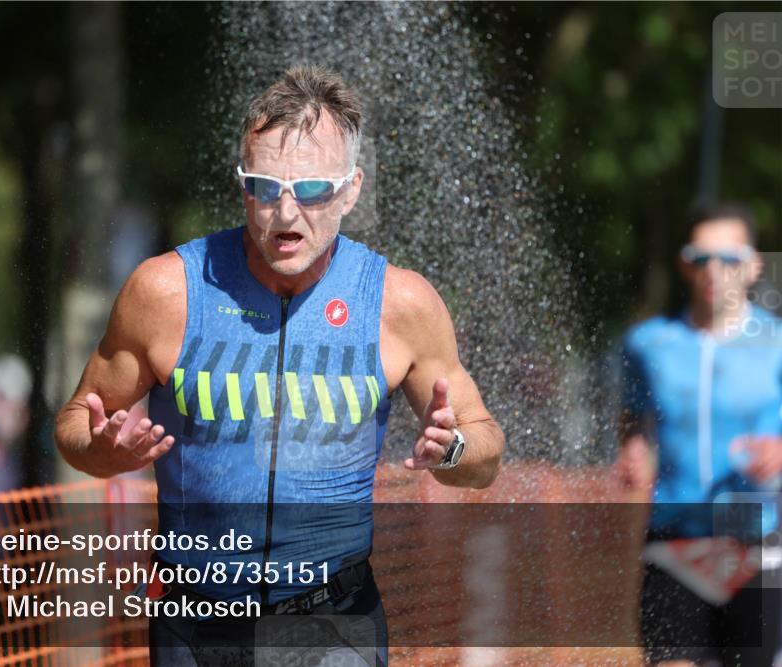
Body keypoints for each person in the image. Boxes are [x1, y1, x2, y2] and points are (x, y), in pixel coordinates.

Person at [55, 64, 505, 666]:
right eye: (265, 188)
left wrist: (452, 450)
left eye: (313, 189)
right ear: (242, 185)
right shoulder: (167, 292)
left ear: (351, 189)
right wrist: (103, 453)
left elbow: (485, 453)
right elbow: (74, 426)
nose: (286, 213)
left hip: (334, 622)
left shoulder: (399, 303)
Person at [616, 201, 782, 667]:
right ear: (684, 265)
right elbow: (634, 415)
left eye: (729, 258)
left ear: (753, 266)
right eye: (701, 257)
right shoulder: (649, 344)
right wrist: (632, 446)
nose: (714, 270)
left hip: (753, 543)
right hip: (674, 539)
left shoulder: (776, 343)